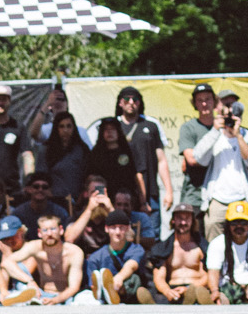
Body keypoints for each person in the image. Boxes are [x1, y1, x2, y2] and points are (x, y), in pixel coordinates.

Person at [187, 94, 248, 226]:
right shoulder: (213, 136)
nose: (230, 113)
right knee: (214, 242)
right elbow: (198, 158)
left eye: (233, 106)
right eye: (226, 106)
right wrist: (216, 129)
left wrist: (237, 135)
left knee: (243, 239)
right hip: (217, 200)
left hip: (242, 198)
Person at [115, 86, 172, 220]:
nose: (131, 103)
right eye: (126, 99)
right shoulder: (113, 126)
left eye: (135, 99)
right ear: (120, 102)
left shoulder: (151, 125)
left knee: (151, 235)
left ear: (140, 103)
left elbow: (161, 160)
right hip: (120, 193)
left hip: (150, 190)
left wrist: (169, 191)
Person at [206, 198, 248, 303]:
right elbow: (213, 271)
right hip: (227, 287)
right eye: (234, 223)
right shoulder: (217, 243)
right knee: (217, 301)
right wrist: (215, 291)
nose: (239, 226)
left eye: (243, 222)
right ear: (228, 225)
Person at [17, 207, 83, 303]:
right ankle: (11, 296)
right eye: (45, 230)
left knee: (84, 298)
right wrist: (29, 281)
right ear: (39, 233)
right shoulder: (35, 246)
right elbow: (8, 262)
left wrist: (55, 300)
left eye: (53, 229)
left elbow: (74, 287)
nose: (49, 233)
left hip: (66, 297)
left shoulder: (74, 252)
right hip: (42, 295)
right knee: (19, 268)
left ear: (61, 230)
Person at [84, 208, 150, 303]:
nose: (118, 232)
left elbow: (131, 265)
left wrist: (118, 279)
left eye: (121, 227)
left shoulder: (137, 249)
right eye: (113, 227)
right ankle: (108, 293)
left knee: (134, 279)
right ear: (106, 229)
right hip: (103, 301)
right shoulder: (96, 257)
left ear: (127, 228)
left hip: (130, 296)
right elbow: (92, 284)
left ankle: (112, 292)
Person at [150, 204, 211, 303]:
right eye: (179, 218)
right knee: (161, 299)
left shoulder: (201, 248)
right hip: (173, 289)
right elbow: (159, 277)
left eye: (187, 218)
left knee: (197, 295)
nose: (183, 222)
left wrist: (188, 289)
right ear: (173, 220)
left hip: (195, 288)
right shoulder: (164, 248)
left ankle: (189, 300)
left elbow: (207, 276)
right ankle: (152, 305)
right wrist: (167, 291)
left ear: (192, 221)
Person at [86, 114, 147, 206]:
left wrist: (143, 201)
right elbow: (92, 177)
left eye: (113, 129)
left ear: (119, 131)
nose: (109, 132)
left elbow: (137, 175)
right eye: (106, 129)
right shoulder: (96, 152)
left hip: (127, 199)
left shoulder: (129, 150)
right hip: (104, 198)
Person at [177, 83, 219, 213]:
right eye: (200, 100)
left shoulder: (225, 127)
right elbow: (191, 159)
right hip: (195, 195)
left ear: (215, 101)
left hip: (220, 195)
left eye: (208, 99)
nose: (204, 104)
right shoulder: (188, 128)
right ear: (195, 104)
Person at [44, 110, 89, 209]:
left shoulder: (82, 149)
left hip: (77, 202)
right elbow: (41, 176)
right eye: (61, 126)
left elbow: (88, 175)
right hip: (53, 202)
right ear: (56, 128)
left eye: (69, 126)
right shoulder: (47, 150)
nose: (65, 130)